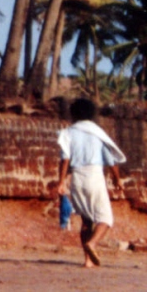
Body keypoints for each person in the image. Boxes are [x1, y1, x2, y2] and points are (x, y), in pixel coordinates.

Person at [57, 97, 126, 268]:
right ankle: (93, 244)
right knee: (105, 219)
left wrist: (61, 182)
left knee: (86, 220)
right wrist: (117, 180)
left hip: (77, 178)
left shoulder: (68, 132)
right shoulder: (97, 133)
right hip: (95, 176)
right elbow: (111, 161)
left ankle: (87, 261)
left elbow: (65, 159)